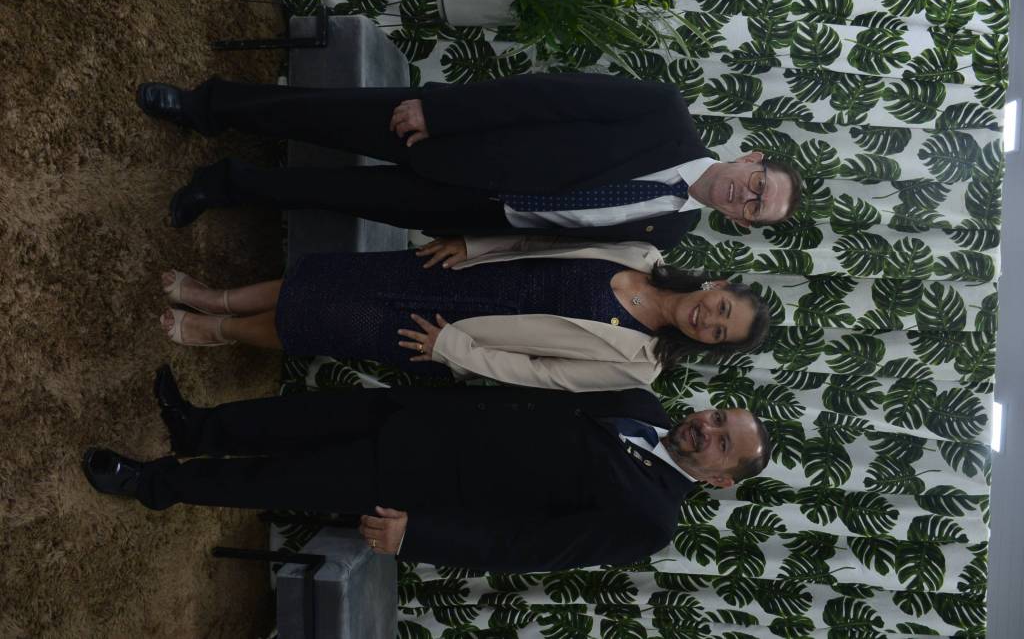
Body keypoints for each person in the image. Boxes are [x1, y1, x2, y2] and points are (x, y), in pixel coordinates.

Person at [82, 366, 772, 573]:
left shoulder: (650, 519)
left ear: (719, 479)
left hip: (423, 483)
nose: (706, 428)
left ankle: (152, 484)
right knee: (294, 418)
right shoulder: (642, 402)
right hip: (427, 415)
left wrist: (421, 535)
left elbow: (529, 547)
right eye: (717, 417)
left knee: (274, 480)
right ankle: (196, 427)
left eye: (722, 443)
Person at [137, 73, 803, 249]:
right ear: (750, 157)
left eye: (755, 208)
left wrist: (473, 245)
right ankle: (205, 107)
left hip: (474, 211)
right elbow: (548, 94)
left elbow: (566, 245)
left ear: (742, 224)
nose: (745, 196)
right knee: (317, 114)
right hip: (459, 136)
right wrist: (445, 111)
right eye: (757, 184)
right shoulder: (663, 112)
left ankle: (225, 185)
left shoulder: (670, 232)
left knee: (333, 193)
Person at [160, 236, 770, 391]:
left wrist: (451, 350)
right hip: (462, 275)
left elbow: (542, 373)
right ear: (717, 285)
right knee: (332, 278)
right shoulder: (642, 253)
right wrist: (473, 246)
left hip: (454, 333)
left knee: (325, 323)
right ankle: (218, 296)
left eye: (719, 333)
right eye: (721, 308)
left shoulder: (641, 365)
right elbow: (541, 241)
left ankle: (219, 329)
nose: (707, 320)